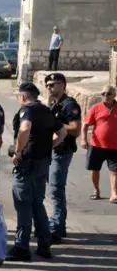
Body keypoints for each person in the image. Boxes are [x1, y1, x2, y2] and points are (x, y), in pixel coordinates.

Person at [6, 82, 67, 262]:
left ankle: (22, 247)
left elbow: (24, 129)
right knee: (37, 204)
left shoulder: (28, 110)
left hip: (27, 164)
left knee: (23, 204)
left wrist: (18, 152)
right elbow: (63, 132)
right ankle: (44, 245)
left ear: (23, 97)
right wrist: (50, 146)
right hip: (42, 162)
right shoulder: (47, 111)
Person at [45, 73, 82, 243]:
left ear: (63, 85)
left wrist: (56, 125)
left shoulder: (69, 105)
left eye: (53, 84)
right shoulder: (54, 104)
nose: (49, 88)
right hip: (51, 150)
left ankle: (57, 227)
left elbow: (75, 129)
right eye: (47, 85)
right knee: (52, 188)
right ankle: (55, 224)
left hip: (62, 150)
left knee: (56, 188)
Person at [81, 85, 117, 203]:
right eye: (103, 94)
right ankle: (96, 190)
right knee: (94, 169)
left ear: (114, 95)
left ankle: (114, 193)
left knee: (114, 171)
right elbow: (85, 125)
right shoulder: (96, 108)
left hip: (114, 146)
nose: (105, 96)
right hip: (96, 145)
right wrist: (83, 139)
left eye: (108, 93)